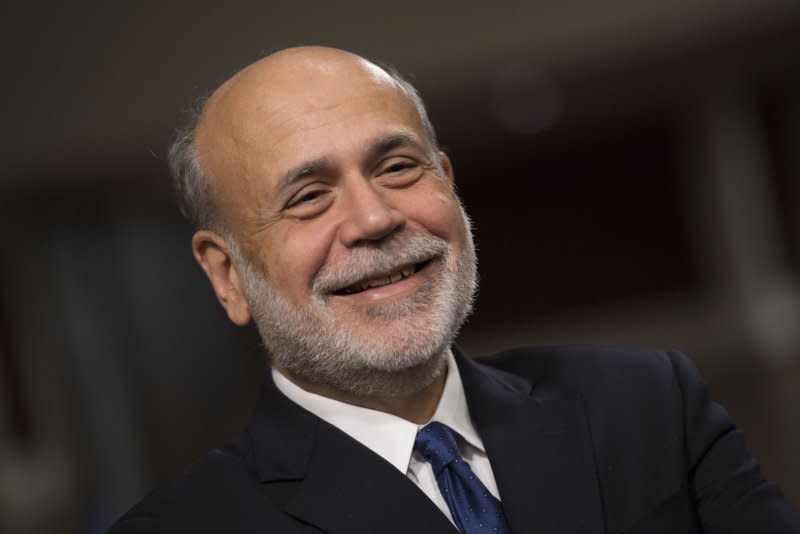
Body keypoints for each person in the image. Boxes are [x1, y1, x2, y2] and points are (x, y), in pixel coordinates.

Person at [109, 46, 800, 533]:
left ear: (447, 181)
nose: (376, 218)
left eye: (398, 167)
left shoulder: (649, 404)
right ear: (227, 275)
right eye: (310, 197)